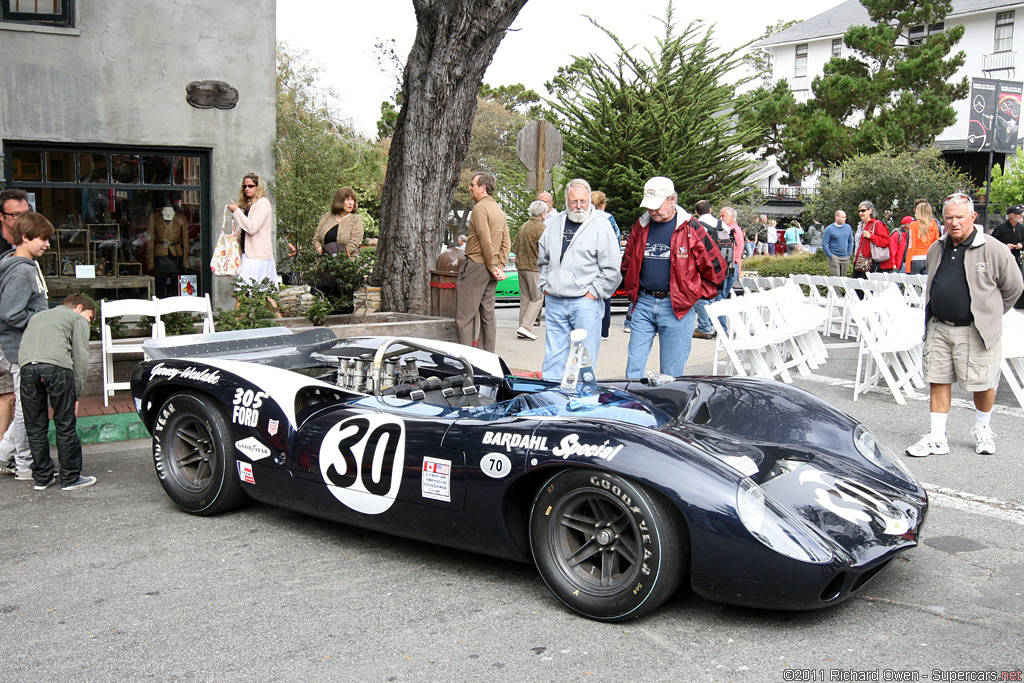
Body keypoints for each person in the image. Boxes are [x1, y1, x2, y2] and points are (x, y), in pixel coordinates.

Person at [905, 193, 1024, 457]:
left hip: (975, 330)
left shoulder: (993, 248)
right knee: (938, 380)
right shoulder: (938, 247)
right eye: (949, 217)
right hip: (939, 326)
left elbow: (1014, 288)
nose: (954, 222)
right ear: (943, 219)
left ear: (972, 217)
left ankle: (983, 429)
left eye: (960, 217)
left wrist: (989, 314)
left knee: (983, 383)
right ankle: (937, 437)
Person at [622, 177, 726, 379]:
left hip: (677, 306)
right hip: (643, 302)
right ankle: (633, 408)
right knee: (633, 369)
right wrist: (632, 291)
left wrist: (692, 293)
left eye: (657, 206)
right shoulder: (641, 225)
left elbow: (716, 268)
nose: (652, 211)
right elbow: (627, 262)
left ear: (672, 200)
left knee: (672, 373)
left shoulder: (692, 228)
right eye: (649, 206)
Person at [537, 178, 620, 379]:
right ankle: (551, 399)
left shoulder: (601, 224)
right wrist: (545, 285)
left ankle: (583, 401)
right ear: (566, 200)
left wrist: (593, 293)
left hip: (585, 302)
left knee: (585, 357)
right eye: (574, 202)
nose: (579, 206)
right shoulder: (555, 222)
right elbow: (543, 257)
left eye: (583, 201)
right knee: (554, 355)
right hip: (556, 299)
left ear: (590, 199)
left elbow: (612, 267)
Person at [19, 294, 97, 491]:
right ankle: (71, 478)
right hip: (57, 368)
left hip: (27, 368)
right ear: (79, 308)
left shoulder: (37, 317)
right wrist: (76, 393)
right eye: (90, 318)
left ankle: (42, 477)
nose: (88, 322)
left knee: (35, 426)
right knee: (65, 423)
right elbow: (80, 357)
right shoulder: (76, 319)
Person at [0, 211, 53, 482]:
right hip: (22, 348)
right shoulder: (21, 269)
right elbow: (10, 313)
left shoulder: (23, 264)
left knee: (27, 405)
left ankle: (6, 455)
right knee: (27, 407)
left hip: (24, 346)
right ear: (25, 237)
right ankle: (24, 463)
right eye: (42, 239)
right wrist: (42, 320)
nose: (47, 244)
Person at [455, 173, 510, 353]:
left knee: (465, 316)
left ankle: (466, 360)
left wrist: (492, 266)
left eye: (473, 185)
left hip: (477, 266)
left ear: (483, 187)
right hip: (490, 269)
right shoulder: (499, 210)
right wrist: (499, 267)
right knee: (488, 314)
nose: (470, 188)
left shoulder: (480, 209)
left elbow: (485, 240)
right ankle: (487, 358)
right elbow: (506, 241)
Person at [0, 188, 29, 461]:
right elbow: (10, 310)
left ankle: (5, 455)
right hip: (5, 335)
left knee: (14, 397)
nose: (21, 219)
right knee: (8, 395)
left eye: (26, 214)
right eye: (15, 215)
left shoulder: (22, 248)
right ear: (1, 216)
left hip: (15, 335)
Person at [228, 172, 278, 285]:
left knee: (243, 292)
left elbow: (252, 227)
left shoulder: (262, 204)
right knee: (266, 294)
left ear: (257, 187)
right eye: (244, 186)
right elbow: (243, 227)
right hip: (251, 254)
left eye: (250, 186)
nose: (247, 189)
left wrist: (236, 211)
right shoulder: (251, 204)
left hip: (257, 256)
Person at [512, 201, 547, 340]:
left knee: (525, 298)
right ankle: (526, 327)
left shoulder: (524, 226)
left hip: (521, 267)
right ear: (542, 214)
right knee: (538, 298)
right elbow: (547, 250)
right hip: (535, 268)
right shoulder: (542, 228)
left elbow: (515, 246)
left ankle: (522, 326)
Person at [591, 191, 621, 339]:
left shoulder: (586, 218)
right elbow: (616, 238)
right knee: (605, 296)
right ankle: (604, 330)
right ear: (602, 203)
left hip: (589, 263)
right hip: (604, 262)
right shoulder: (608, 218)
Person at [147, 204, 191, 297]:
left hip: (176, 255)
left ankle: (176, 306)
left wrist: (186, 261)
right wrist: (150, 262)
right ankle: (159, 303)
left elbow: (186, 240)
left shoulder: (181, 217)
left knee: (176, 284)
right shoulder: (154, 217)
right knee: (160, 283)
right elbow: (149, 240)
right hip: (160, 254)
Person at [692, 199, 721, 339]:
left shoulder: (697, 226)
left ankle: (704, 327)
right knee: (716, 297)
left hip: (705, 267)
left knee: (702, 296)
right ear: (710, 210)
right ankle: (720, 327)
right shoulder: (722, 225)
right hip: (723, 267)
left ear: (696, 212)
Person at [313, 187, 364, 259]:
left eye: (353, 200)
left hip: (346, 261)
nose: (350, 203)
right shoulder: (327, 217)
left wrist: (338, 255)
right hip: (324, 261)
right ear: (339, 201)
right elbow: (316, 238)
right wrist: (319, 248)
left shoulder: (356, 220)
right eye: (347, 199)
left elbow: (355, 242)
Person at [851, 201, 890, 278]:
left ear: (870, 211)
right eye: (859, 211)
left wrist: (871, 236)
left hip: (870, 262)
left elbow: (886, 241)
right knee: (855, 287)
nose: (860, 213)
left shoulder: (877, 224)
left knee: (866, 288)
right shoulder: (860, 225)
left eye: (863, 210)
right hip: (858, 261)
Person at [904, 200, 941, 275]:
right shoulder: (934, 225)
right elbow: (936, 244)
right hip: (928, 258)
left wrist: (907, 265)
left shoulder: (913, 225)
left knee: (912, 285)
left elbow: (911, 245)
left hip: (915, 258)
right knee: (925, 285)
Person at [822, 210, 855, 276]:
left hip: (845, 257)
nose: (844, 219)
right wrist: (831, 256)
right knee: (836, 279)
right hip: (835, 257)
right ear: (836, 217)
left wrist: (849, 254)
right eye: (842, 217)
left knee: (843, 278)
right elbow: (824, 244)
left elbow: (851, 241)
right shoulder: (829, 229)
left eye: (845, 217)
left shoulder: (848, 227)